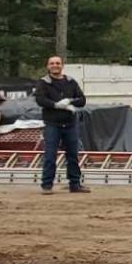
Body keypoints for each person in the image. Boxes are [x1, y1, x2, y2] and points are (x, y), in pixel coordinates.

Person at [33, 54, 91, 194]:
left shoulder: (71, 82)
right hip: (52, 124)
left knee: (72, 155)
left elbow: (82, 100)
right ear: (48, 66)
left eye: (57, 63)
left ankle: (75, 184)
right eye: (52, 63)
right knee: (50, 155)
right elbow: (40, 100)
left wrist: (69, 102)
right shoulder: (43, 82)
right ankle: (46, 185)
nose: (55, 65)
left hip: (70, 124)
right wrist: (56, 105)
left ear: (62, 65)